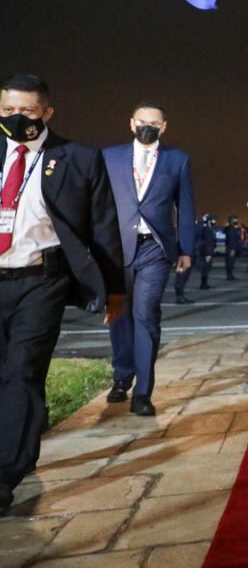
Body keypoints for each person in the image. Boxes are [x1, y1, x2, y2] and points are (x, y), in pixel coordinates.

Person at [0, 74, 125, 515]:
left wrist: (114, 290)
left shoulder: (77, 158)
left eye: (27, 112)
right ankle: (21, 443)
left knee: (22, 372)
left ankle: (5, 474)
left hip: (41, 281)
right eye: (7, 110)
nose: (16, 119)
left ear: (47, 113)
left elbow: (104, 227)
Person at [103, 102, 195, 416]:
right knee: (118, 313)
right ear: (131, 123)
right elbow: (97, 204)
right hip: (117, 248)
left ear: (164, 126)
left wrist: (186, 249)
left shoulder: (177, 160)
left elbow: (185, 206)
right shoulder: (109, 157)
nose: (147, 127)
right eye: (142, 121)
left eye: (154, 123)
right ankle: (122, 375)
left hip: (155, 249)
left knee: (146, 315)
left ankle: (143, 392)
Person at [172, 216, 199, 305]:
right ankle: (179, 297)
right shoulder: (181, 231)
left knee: (184, 276)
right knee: (181, 275)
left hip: (187, 254)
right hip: (182, 254)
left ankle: (180, 296)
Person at [195, 215, 217, 290]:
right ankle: (203, 285)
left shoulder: (210, 229)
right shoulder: (207, 230)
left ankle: (205, 284)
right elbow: (208, 242)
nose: (214, 222)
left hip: (207, 251)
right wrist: (208, 253)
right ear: (209, 221)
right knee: (205, 268)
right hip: (206, 252)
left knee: (207, 269)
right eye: (213, 220)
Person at [223, 216, 241, 281]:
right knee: (230, 262)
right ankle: (229, 276)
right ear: (232, 221)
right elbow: (232, 240)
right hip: (231, 248)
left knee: (230, 262)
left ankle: (230, 275)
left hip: (229, 248)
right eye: (235, 220)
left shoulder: (229, 228)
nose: (237, 222)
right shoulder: (232, 229)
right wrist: (232, 249)